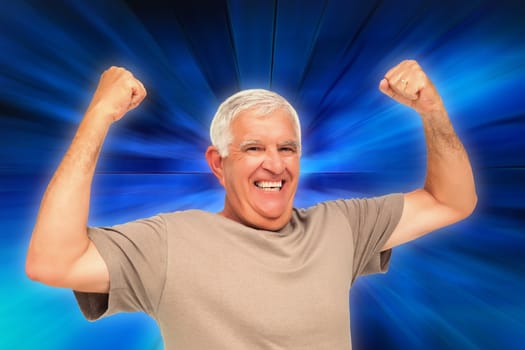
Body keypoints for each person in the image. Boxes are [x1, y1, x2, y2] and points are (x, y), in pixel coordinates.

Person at [26, 60, 477, 349]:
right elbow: (52, 260)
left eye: (287, 148)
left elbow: (450, 201)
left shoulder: (344, 226)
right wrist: (99, 115)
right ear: (218, 164)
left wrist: (432, 111)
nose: (274, 165)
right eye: (253, 149)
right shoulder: (169, 242)